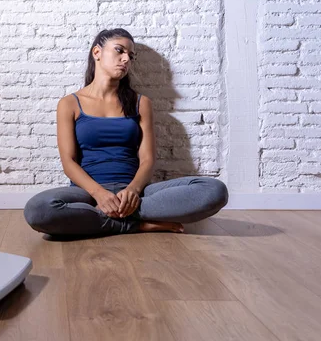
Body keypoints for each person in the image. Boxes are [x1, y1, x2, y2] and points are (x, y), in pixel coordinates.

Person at [24, 28, 229, 237]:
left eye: (130, 56)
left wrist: (132, 191)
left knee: (215, 191)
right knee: (38, 210)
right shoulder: (69, 103)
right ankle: (135, 224)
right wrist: (100, 195)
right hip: (86, 194)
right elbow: (69, 162)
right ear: (97, 52)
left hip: (137, 194)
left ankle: (105, 218)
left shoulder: (141, 103)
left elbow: (147, 160)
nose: (125, 60)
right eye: (119, 51)